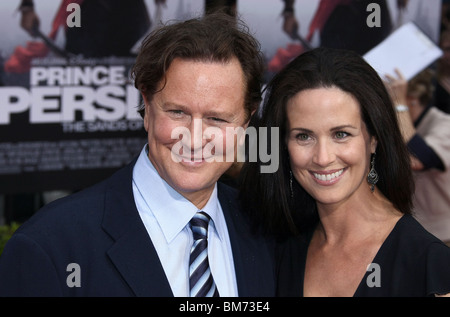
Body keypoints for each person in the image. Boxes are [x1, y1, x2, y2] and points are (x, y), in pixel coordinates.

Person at [0, 12, 275, 297]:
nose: (194, 138)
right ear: (146, 107)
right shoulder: (51, 246)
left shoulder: (268, 231)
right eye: (177, 112)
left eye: (217, 119)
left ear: (245, 122)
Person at [240, 47, 450, 296]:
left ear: (373, 139)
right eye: (303, 136)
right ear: (283, 145)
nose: (323, 157)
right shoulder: (277, 247)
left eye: (341, 134)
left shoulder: (429, 264)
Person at [385, 68, 450, 246]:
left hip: (444, 238)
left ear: (411, 99)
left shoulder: (444, 124)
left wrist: (399, 104)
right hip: (414, 234)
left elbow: (418, 159)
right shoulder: (396, 130)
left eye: (388, 99)